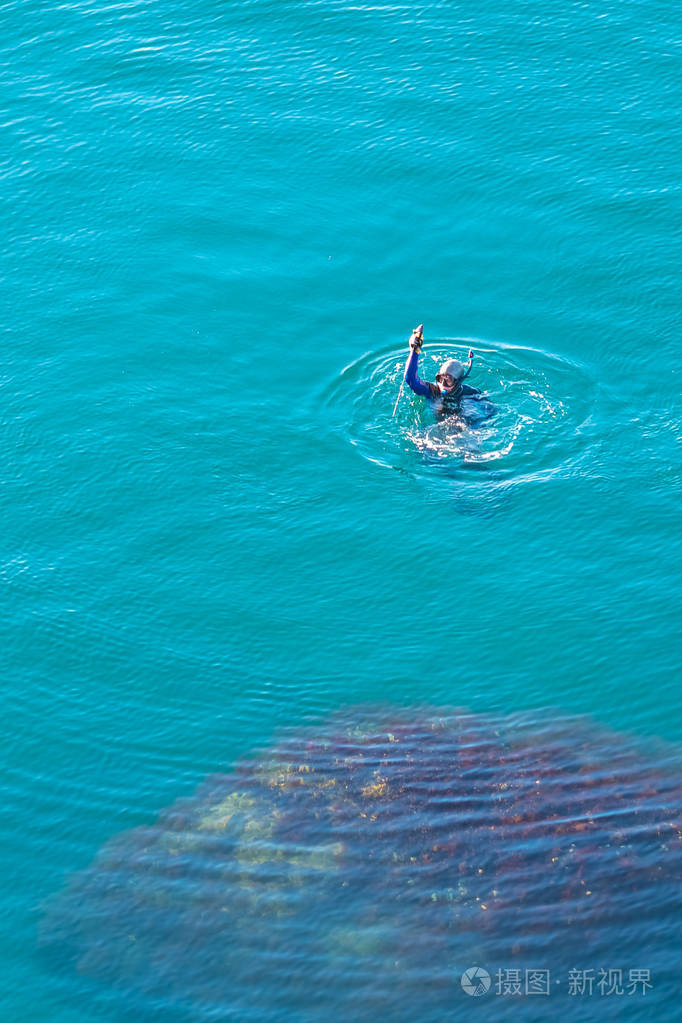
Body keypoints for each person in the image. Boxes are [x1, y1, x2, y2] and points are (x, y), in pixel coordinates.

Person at [403, 325, 495, 420]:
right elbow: (411, 380)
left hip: (464, 426)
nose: (442, 384)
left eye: (448, 380)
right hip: (438, 426)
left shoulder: (470, 393)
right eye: (440, 378)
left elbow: (491, 412)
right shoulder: (432, 390)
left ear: (458, 382)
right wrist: (414, 350)